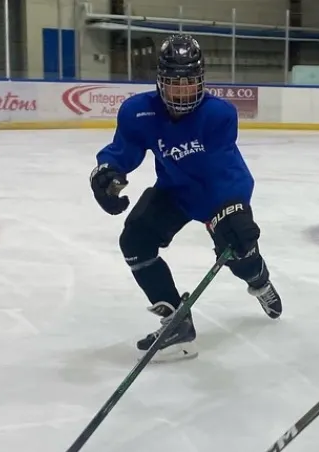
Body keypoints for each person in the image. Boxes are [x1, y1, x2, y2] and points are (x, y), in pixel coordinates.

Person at [89, 33, 281, 361]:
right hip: (175, 191)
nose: (182, 91)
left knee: (239, 254)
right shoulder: (138, 112)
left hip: (217, 191)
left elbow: (222, 166)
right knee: (135, 240)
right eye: (174, 83)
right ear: (160, 82)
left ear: (202, 80)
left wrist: (234, 209)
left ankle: (259, 280)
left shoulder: (219, 114)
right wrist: (108, 170)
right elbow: (125, 149)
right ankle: (176, 320)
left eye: (190, 83)